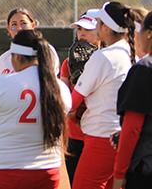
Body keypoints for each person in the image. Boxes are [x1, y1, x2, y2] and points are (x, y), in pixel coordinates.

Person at [0, 30, 71, 189]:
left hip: (6, 169)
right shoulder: (59, 88)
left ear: (17, 57)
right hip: (48, 171)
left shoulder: (1, 83)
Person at [70, 1, 136, 189]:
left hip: (102, 137)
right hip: (123, 136)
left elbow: (74, 100)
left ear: (106, 28)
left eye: (98, 21)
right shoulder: (133, 53)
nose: (96, 25)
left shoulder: (103, 56)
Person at [113, 11, 152, 189]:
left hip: (145, 167)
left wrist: (119, 174)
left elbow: (133, 127)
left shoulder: (143, 69)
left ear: (149, 33)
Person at [61, 11, 101, 186]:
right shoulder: (66, 63)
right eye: (79, 29)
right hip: (74, 134)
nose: (82, 33)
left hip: (98, 133)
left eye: (87, 29)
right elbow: (63, 94)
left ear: (101, 31)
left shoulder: (106, 60)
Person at [0, 8, 60, 79]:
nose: (19, 28)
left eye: (23, 23)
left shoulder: (46, 50)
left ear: (33, 25)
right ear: (8, 29)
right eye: (14, 25)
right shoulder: (4, 59)